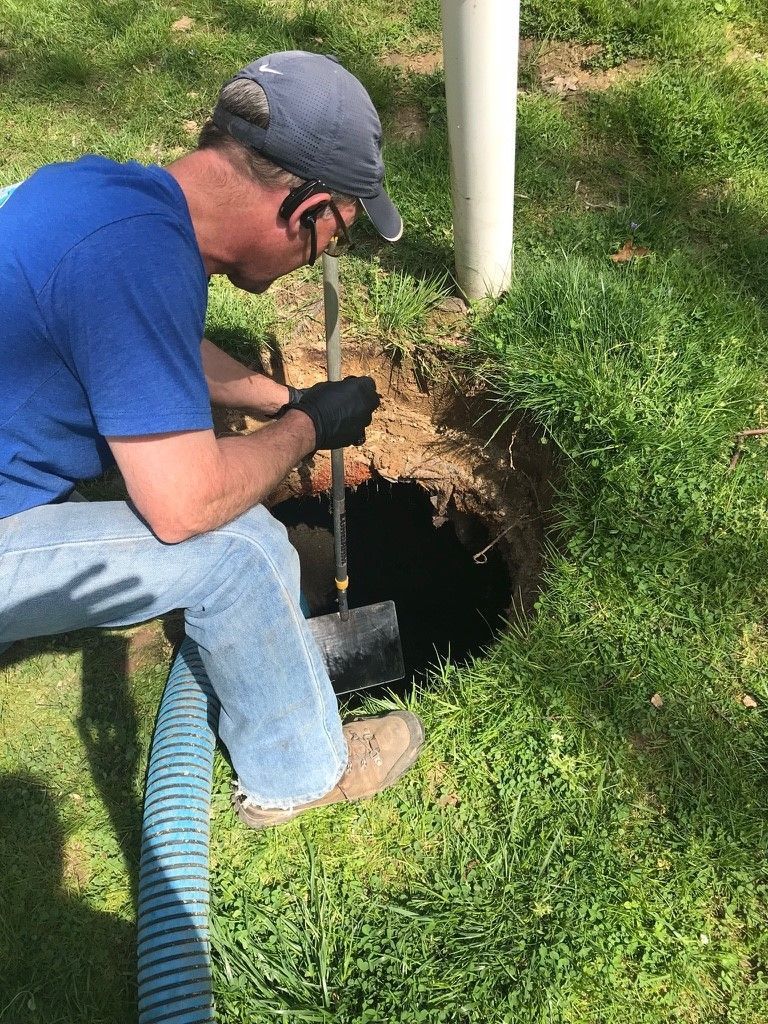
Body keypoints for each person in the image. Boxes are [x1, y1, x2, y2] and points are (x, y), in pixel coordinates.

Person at [0, 51, 424, 829]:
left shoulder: (104, 198)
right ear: (305, 208)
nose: (326, 257)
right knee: (242, 551)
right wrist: (307, 430)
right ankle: (301, 773)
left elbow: (147, 341)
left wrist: (285, 398)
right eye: (338, 236)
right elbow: (184, 506)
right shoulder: (140, 261)